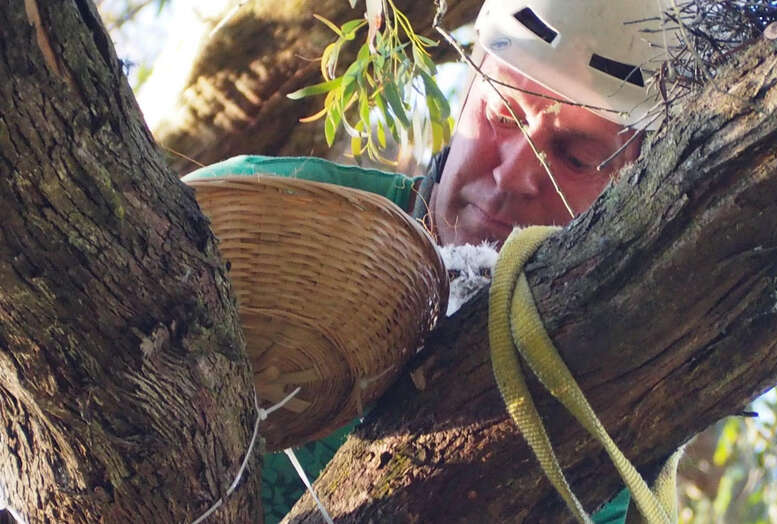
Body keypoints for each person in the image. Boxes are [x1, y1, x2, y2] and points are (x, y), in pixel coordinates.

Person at [185, 1, 675, 521]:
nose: (514, 175)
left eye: (575, 157)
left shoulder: (604, 406)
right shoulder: (258, 214)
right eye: (504, 115)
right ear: (466, 90)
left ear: (632, 186)